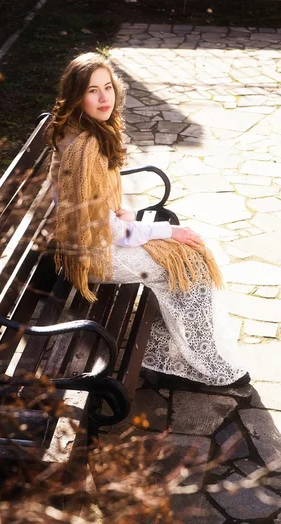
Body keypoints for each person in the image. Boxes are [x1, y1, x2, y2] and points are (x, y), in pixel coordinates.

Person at [46, 52, 249, 388]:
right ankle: (202, 366)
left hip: (90, 242)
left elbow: (93, 208)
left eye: (107, 87)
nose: (103, 98)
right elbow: (105, 231)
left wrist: (119, 211)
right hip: (94, 256)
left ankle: (176, 357)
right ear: (76, 96)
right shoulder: (85, 148)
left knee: (187, 257)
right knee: (190, 265)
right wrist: (169, 230)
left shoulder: (85, 132)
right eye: (92, 90)